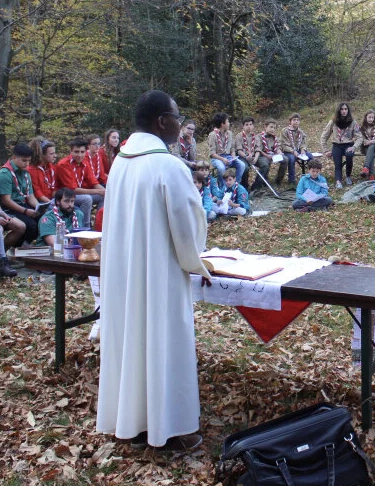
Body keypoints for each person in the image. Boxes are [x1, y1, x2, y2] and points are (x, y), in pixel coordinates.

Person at [97, 90, 213, 452]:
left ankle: (132, 421)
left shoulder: (121, 162)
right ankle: (169, 428)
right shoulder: (169, 166)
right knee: (163, 341)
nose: (181, 124)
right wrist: (196, 258)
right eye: (177, 117)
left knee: (130, 341)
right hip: (160, 274)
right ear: (162, 121)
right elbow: (188, 225)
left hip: (125, 272)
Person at [0, 142, 43, 244]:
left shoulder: (25, 173)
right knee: (30, 225)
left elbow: (30, 196)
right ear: (14, 157)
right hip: (8, 209)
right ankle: (15, 248)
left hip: (22, 205)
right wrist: (25, 211)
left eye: (29, 161)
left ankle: (28, 245)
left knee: (44, 219)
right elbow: (6, 200)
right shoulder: (5, 174)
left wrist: (38, 207)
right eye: (24, 160)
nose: (27, 164)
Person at [56, 138, 105, 228]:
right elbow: (73, 190)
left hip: (78, 194)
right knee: (87, 199)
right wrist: (98, 191)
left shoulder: (85, 162)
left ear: (86, 152)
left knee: (104, 196)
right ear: (71, 151)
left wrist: (105, 191)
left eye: (82, 152)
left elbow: (94, 182)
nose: (80, 155)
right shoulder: (64, 164)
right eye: (76, 152)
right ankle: (85, 228)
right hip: (65, 196)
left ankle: (99, 226)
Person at [321, 102, 360, 189]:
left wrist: (354, 147)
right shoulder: (333, 122)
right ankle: (338, 181)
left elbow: (359, 137)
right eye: (342, 109)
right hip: (337, 145)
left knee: (349, 155)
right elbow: (324, 136)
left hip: (348, 144)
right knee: (337, 163)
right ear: (338, 111)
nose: (344, 111)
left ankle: (348, 176)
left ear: (348, 110)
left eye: (346, 109)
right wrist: (326, 150)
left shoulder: (353, 122)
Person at [208, 113, 246, 182]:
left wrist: (233, 155)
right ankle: (223, 186)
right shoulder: (212, 135)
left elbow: (232, 148)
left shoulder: (229, 133)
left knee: (242, 165)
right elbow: (212, 154)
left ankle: (234, 184)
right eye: (227, 121)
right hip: (217, 158)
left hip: (228, 157)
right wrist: (222, 159)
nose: (229, 123)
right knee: (221, 168)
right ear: (222, 124)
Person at [280, 113, 309, 186]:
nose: (296, 121)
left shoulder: (301, 132)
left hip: (299, 150)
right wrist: (293, 151)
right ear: (290, 121)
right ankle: (291, 180)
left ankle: (312, 176)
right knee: (292, 158)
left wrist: (303, 149)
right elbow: (284, 144)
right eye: (294, 120)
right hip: (288, 151)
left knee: (310, 156)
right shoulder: (285, 131)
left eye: (297, 120)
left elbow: (304, 142)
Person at [27, 139, 58, 204]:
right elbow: (38, 193)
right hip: (40, 202)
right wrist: (52, 204)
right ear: (42, 155)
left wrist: (58, 201)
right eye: (51, 154)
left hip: (52, 200)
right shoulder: (32, 170)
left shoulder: (51, 167)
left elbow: (54, 188)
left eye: (55, 153)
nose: (55, 156)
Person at [256, 119, 284, 188]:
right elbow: (258, 149)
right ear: (265, 127)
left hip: (273, 154)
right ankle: (258, 184)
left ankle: (278, 180)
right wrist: (267, 155)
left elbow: (278, 147)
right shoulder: (259, 136)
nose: (273, 129)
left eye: (274, 128)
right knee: (265, 164)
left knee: (285, 159)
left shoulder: (275, 137)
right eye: (271, 127)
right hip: (262, 155)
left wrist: (279, 152)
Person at [235, 117, 261, 187]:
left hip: (253, 156)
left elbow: (258, 149)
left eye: (250, 124)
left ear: (253, 126)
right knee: (245, 167)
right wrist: (246, 157)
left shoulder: (256, 136)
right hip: (243, 157)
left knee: (264, 165)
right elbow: (239, 150)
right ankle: (245, 185)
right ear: (243, 126)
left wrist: (255, 158)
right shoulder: (239, 136)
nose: (249, 126)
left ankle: (257, 185)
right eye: (246, 125)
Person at [357, 109, 375, 180]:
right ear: (365, 117)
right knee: (370, 153)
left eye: (372, 117)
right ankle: (371, 175)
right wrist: (366, 142)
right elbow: (361, 138)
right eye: (369, 117)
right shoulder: (361, 127)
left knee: (372, 147)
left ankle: (366, 167)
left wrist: (372, 141)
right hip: (365, 147)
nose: (371, 119)